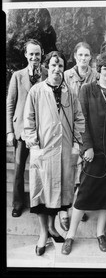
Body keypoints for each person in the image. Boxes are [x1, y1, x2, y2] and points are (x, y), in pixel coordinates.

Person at [23, 51, 85, 256]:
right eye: (53, 66)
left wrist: (77, 142)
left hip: (65, 150)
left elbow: (78, 119)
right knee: (42, 193)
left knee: (57, 193)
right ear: (46, 68)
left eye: (60, 66)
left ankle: (52, 228)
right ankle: (43, 233)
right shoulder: (36, 91)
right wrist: (33, 144)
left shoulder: (70, 92)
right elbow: (29, 121)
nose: (57, 70)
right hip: (44, 151)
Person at [61, 52, 106, 255]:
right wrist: (86, 146)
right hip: (93, 153)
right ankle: (70, 235)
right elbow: (81, 120)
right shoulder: (87, 90)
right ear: (98, 71)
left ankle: (100, 233)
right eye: (104, 69)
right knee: (84, 193)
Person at [59, 42, 99, 229]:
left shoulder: (96, 76)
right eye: (80, 55)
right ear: (75, 56)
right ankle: (63, 212)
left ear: (91, 57)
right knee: (68, 170)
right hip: (69, 128)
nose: (84, 59)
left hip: (88, 129)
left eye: (87, 55)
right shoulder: (66, 76)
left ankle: (78, 205)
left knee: (83, 171)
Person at [6, 39, 47, 217]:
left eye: (37, 54)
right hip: (22, 131)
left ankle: (40, 203)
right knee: (19, 168)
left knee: (41, 169)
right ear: (26, 55)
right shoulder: (18, 76)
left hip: (42, 131)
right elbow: (10, 105)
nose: (34, 57)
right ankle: (17, 204)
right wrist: (9, 131)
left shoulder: (46, 74)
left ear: (41, 54)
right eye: (31, 54)